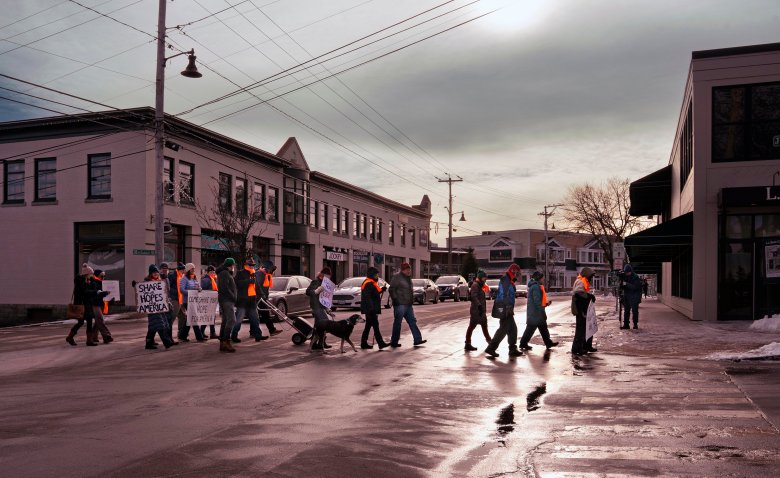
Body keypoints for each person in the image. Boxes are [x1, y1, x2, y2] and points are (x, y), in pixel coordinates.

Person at [485, 264, 523, 358]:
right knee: (503, 329)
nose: (518, 275)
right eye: (517, 273)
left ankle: (512, 349)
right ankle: (491, 348)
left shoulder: (509, 280)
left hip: (507, 308)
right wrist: (507, 307)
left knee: (512, 329)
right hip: (504, 307)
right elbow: (503, 294)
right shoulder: (506, 280)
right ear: (513, 271)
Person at [519, 271, 559, 351]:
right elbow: (537, 301)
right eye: (542, 278)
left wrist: (545, 304)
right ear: (538, 278)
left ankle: (548, 343)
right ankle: (523, 343)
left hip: (535, 312)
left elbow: (538, 301)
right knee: (531, 329)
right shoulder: (536, 287)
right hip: (536, 313)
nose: (543, 280)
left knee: (542, 328)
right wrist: (542, 310)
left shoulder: (535, 286)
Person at [389, 262, 426, 348]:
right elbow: (391, 289)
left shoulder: (408, 278)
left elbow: (409, 290)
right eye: (407, 269)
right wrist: (395, 299)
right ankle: (394, 341)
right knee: (398, 323)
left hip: (408, 305)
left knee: (412, 321)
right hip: (400, 305)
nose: (409, 271)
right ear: (403, 270)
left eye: (409, 269)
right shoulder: (397, 277)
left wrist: (411, 300)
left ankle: (417, 339)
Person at [231, 258, 266, 343]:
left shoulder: (253, 273)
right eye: (250, 265)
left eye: (253, 265)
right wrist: (249, 281)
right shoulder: (240, 273)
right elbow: (237, 283)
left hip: (252, 301)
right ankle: (234, 336)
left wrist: (262, 294)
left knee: (255, 319)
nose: (252, 266)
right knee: (238, 320)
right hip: (242, 301)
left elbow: (256, 286)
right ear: (246, 265)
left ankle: (258, 335)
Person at [143, 264, 174, 350]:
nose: (156, 274)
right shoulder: (147, 282)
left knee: (153, 324)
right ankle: (167, 342)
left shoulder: (161, 281)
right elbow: (141, 291)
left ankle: (149, 342)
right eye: (154, 273)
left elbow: (166, 292)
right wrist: (135, 285)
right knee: (160, 324)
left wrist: (168, 302)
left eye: (156, 272)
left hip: (161, 307)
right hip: (152, 308)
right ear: (150, 273)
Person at [360, 267, 390, 349]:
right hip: (370, 309)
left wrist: (382, 289)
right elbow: (367, 297)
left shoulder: (371, 282)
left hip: (370, 309)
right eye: (376, 274)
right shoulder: (368, 283)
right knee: (376, 326)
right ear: (372, 275)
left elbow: (375, 292)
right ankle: (380, 343)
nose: (377, 276)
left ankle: (363, 343)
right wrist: (371, 309)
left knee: (368, 326)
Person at [65, 264, 95, 346]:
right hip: (83, 305)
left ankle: (70, 337)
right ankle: (89, 340)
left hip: (82, 305)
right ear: (87, 274)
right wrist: (93, 291)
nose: (92, 275)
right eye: (91, 274)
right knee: (88, 321)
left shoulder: (81, 281)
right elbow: (85, 293)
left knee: (81, 322)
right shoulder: (82, 282)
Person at [571, 267, 597, 356]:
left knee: (588, 328)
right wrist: (589, 296)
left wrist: (588, 296)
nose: (591, 278)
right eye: (591, 276)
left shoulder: (583, 281)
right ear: (587, 275)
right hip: (580, 309)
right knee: (581, 329)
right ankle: (577, 348)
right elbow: (579, 293)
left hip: (584, 308)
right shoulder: (580, 281)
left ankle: (586, 346)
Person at [307, 267, 334, 350]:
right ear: (323, 275)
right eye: (328, 276)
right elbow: (308, 292)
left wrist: (327, 308)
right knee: (325, 324)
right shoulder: (316, 282)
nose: (328, 278)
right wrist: (316, 291)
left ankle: (316, 344)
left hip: (320, 307)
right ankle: (320, 343)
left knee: (318, 326)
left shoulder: (324, 284)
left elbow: (324, 298)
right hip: (316, 307)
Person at [179, 264, 206, 342]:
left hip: (194, 301)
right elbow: (182, 290)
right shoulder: (184, 279)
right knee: (194, 318)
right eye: (192, 269)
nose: (194, 270)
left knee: (190, 318)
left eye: (194, 268)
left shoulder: (194, 278)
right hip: (187, 301)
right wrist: (190, 293)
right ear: (188, 270)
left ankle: (182, 336)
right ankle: (199, 337)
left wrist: (200, 289)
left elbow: (198, 287)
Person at [465, 270, 491, 351]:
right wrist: (479, 305)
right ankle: (468, 344)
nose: (485, 279)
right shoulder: (475, 285)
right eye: (484, 278)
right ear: (480, 278)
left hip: (480, 311)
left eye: (485, 278)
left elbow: (485, 292)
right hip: (476, 311)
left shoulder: (480, 285)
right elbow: (474, 297)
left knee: (484, 326)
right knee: (472, 327)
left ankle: (490, 343)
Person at [217, 258, 238, 353]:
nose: (234, 267)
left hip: (226, 300)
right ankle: (226, 341)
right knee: (232, 320)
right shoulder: (225, 273)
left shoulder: (225, 273)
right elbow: (224, 288)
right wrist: (233, 296)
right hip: (227, 300)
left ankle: (222, 342)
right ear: (230, 265)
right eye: (233, 265)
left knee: (225, 321)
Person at [256, 261, 281, 337]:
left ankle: (253, 332)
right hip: (259, 298)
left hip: (262, 298)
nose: (272, 271)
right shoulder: (260, 274)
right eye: (271, 269)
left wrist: (265, 296)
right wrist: (262, 295)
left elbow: (265, 288)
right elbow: (258, 286)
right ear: (266, 268)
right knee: (264, 315)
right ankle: (272, 330)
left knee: (257, 316)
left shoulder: (266, 275)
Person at [89, 269, 113, 344]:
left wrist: (111, 298)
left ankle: (93, 336)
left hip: (100, 303)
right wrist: (104, 293)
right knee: (100, 319)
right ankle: (106, 336)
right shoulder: (93, 283)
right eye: (102, 276)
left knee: (97, 321)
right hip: (94, 304)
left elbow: (103, 295)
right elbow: (95, 294)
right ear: (97, 275)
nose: (103, 277)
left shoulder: (102, 283)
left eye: (104, 276)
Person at [620, 264, 642, 330]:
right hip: (627, 296)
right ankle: (626, 324)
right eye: (626, 272)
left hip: (634, 296)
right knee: (626, 311)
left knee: (634, 311)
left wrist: (626, 284)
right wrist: (621, 284)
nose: (626, 274)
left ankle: (635, 324)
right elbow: (623, 287)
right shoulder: (625, 276)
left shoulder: (635, 277)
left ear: (630, 271)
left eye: (627, 272)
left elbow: (635, 287)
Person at [200, 265, 219, 339]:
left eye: (214, 272)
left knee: (210, 317)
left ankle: (203, 332)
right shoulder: (206, 280)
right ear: (208, 272)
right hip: (208, 301)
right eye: (211, 272)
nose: (213, 273)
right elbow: (203, 290)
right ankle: (210, 333)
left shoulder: (212, 279)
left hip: (211, 301)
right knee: (209, 317)